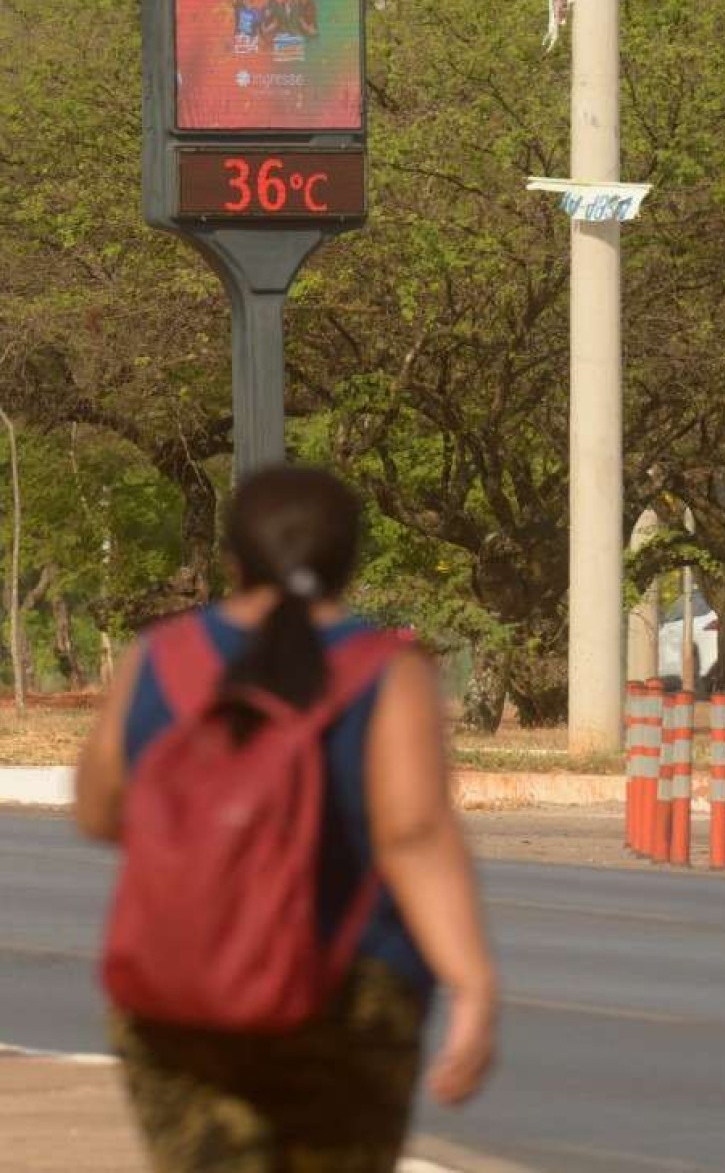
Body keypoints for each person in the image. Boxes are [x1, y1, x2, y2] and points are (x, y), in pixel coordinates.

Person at [74, 465, 497, 1173]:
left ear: (233, 559)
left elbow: (98, 811)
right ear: (348, 563)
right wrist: (473, 982)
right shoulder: (387, 672)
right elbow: (414, 835)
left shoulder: (161, 658)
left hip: (182, 991)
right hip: (349, 993)